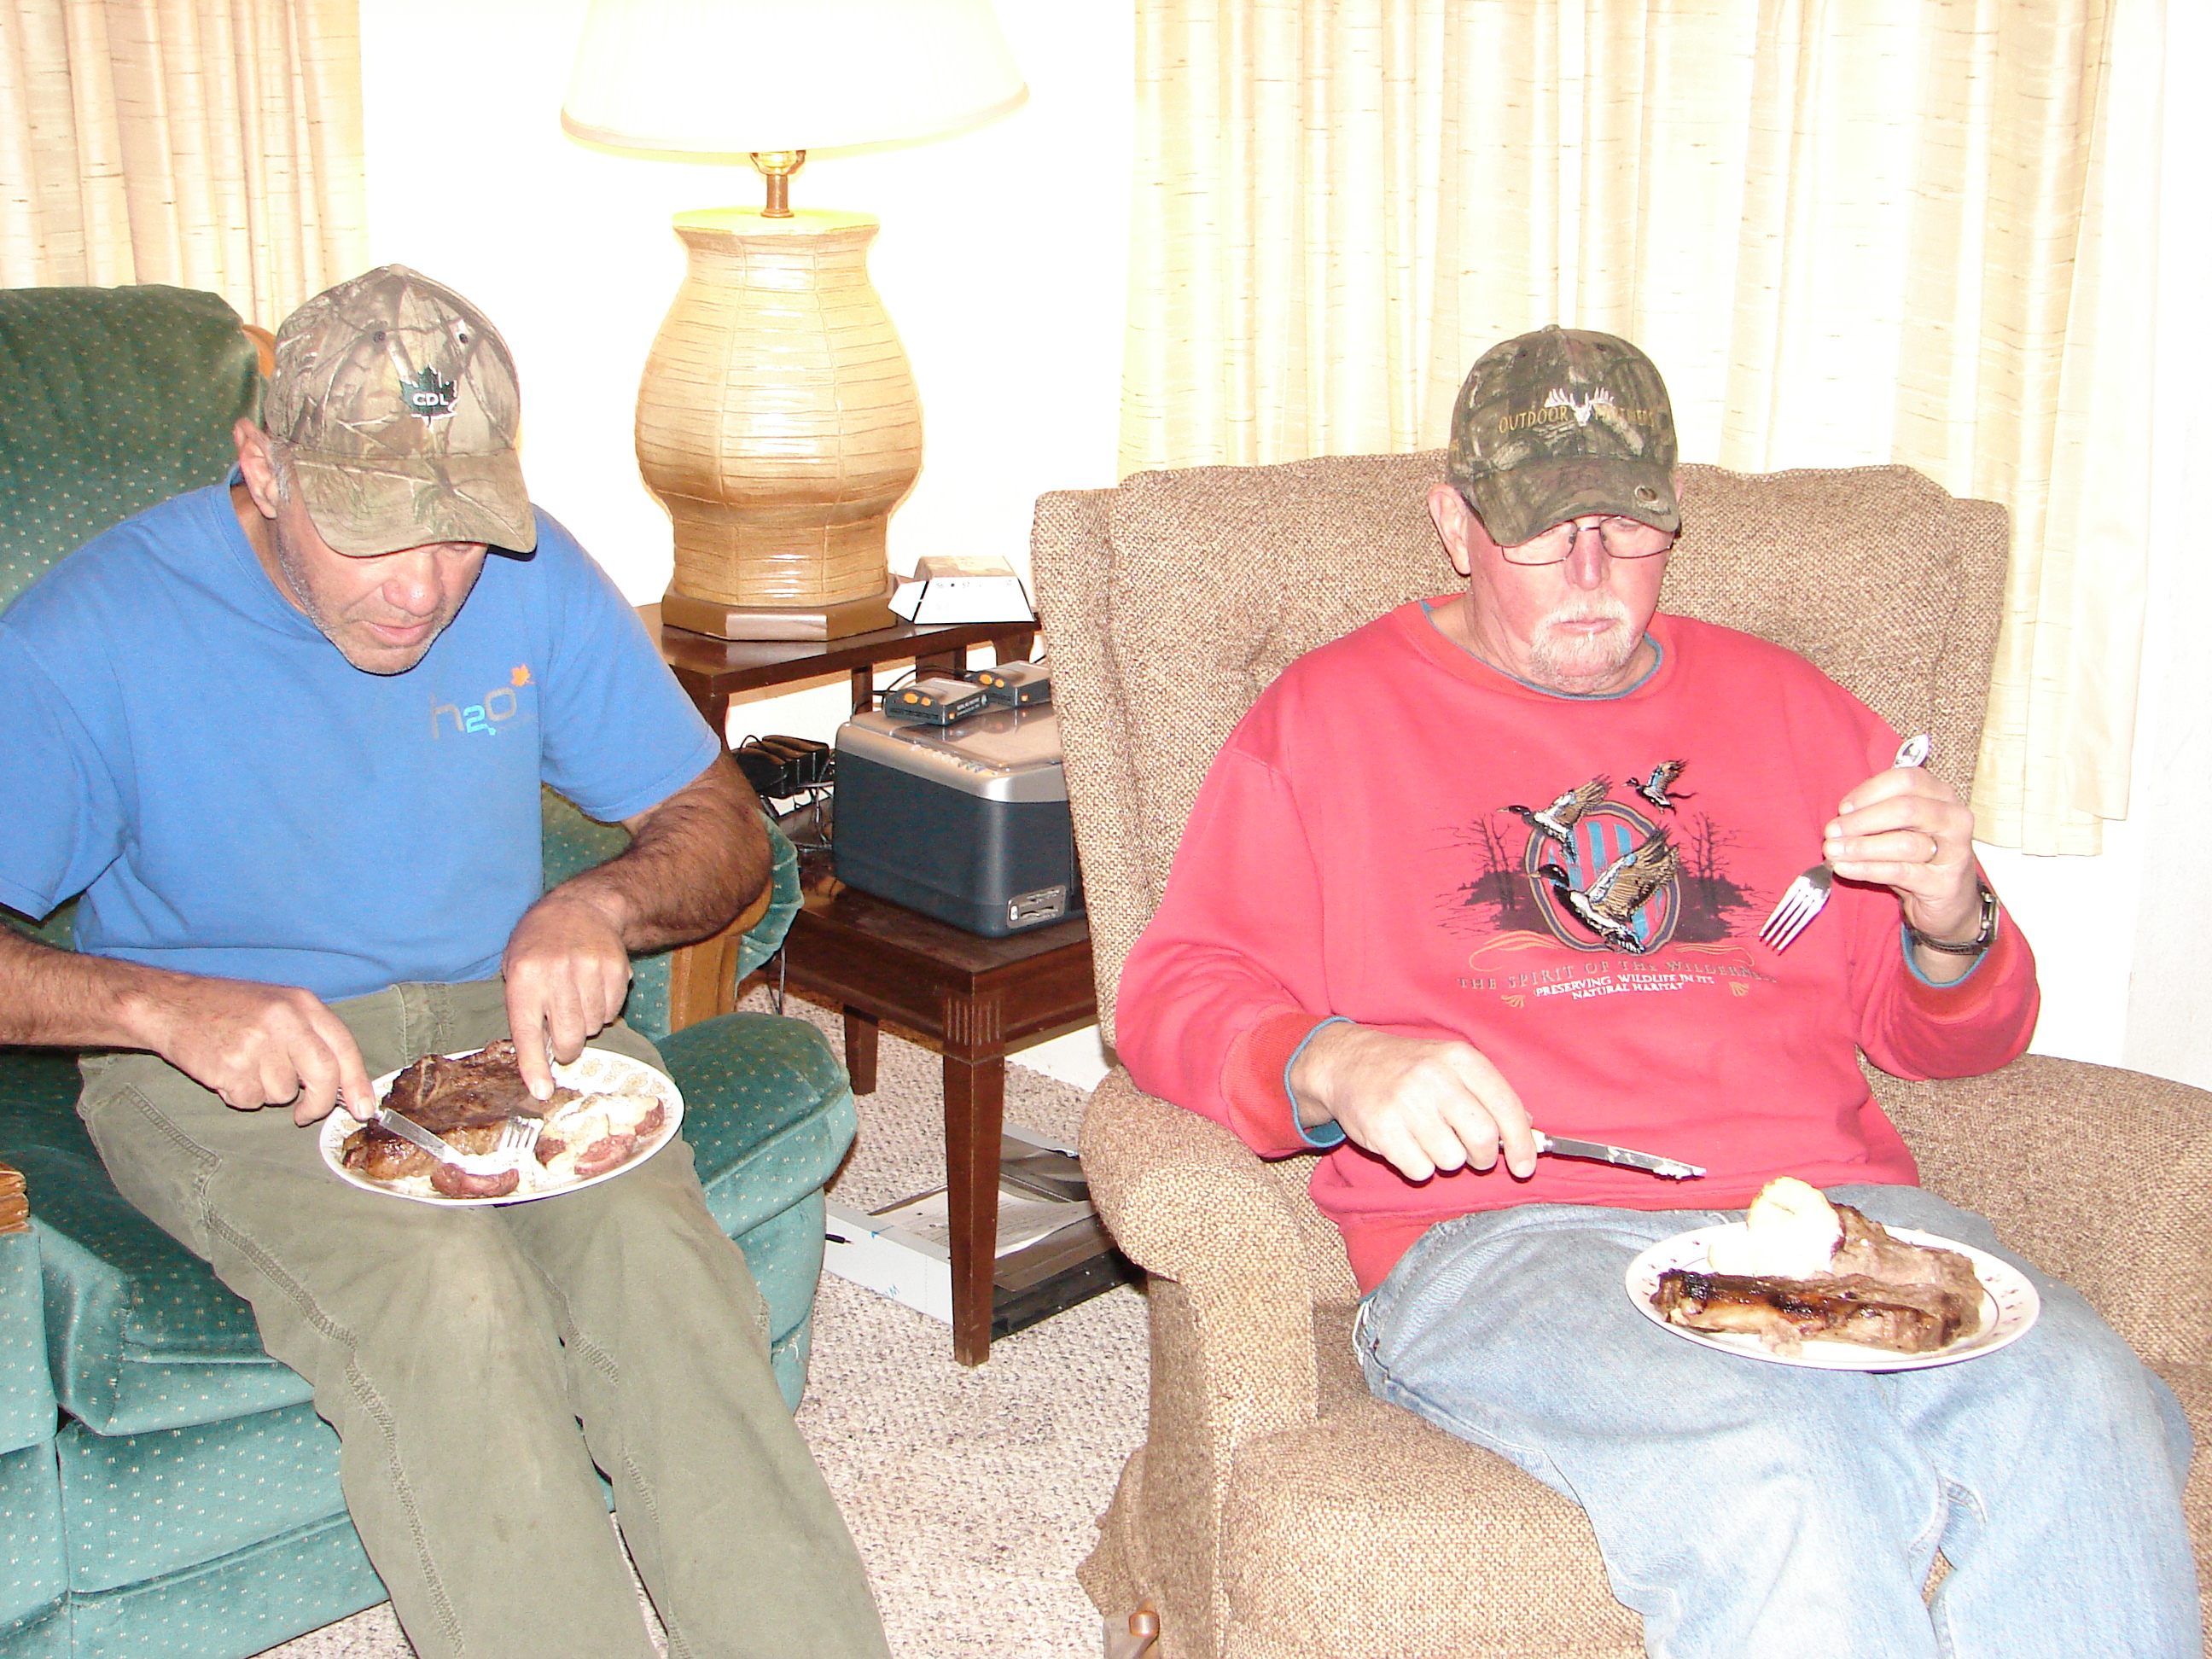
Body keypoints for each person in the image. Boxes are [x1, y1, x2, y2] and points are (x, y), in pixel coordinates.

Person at [1115, 324, 2197, 1657]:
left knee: (2088, 1405)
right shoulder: (1327, 718)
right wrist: (1334, 1060)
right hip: (1516, 1237)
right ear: (1455, 525)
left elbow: (1954, 1040)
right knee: (1786, 1473)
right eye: (1543, 532)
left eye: (1625, 530)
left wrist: (1951, 913)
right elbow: (1173, 990)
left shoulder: (1795, 709)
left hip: (1833, 1216)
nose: (1591, 574)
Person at [0, 266, 889, 1659]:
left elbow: (718, 824)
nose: (424, 589)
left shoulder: (528, 579)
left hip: (504, 1034)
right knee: (449, 1299)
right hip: (234, 1067)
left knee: (663, 1275)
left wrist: (600, 905)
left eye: (461, 533)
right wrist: (156, 1004)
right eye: (375, 535)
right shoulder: (88, 635)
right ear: (263, 468)